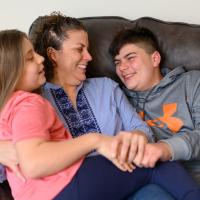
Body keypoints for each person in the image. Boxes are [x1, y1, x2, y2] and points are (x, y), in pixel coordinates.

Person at [1, 30, 200, 200]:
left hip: (123, 173)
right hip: (77, 183)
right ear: (54, 54)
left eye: (130, 58)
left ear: (155, 58)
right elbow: (26, 161)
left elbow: (141, 131)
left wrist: (136, 143)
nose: (90, 56)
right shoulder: (34, 96)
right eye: (80, 49)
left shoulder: (107, 87)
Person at [109, 27, 200, 199]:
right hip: (149, 185)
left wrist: (166, 148)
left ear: (155, 59)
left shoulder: (192, 83)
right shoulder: (116, 99)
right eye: (117, 62)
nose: (122, 67)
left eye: (130, 58)